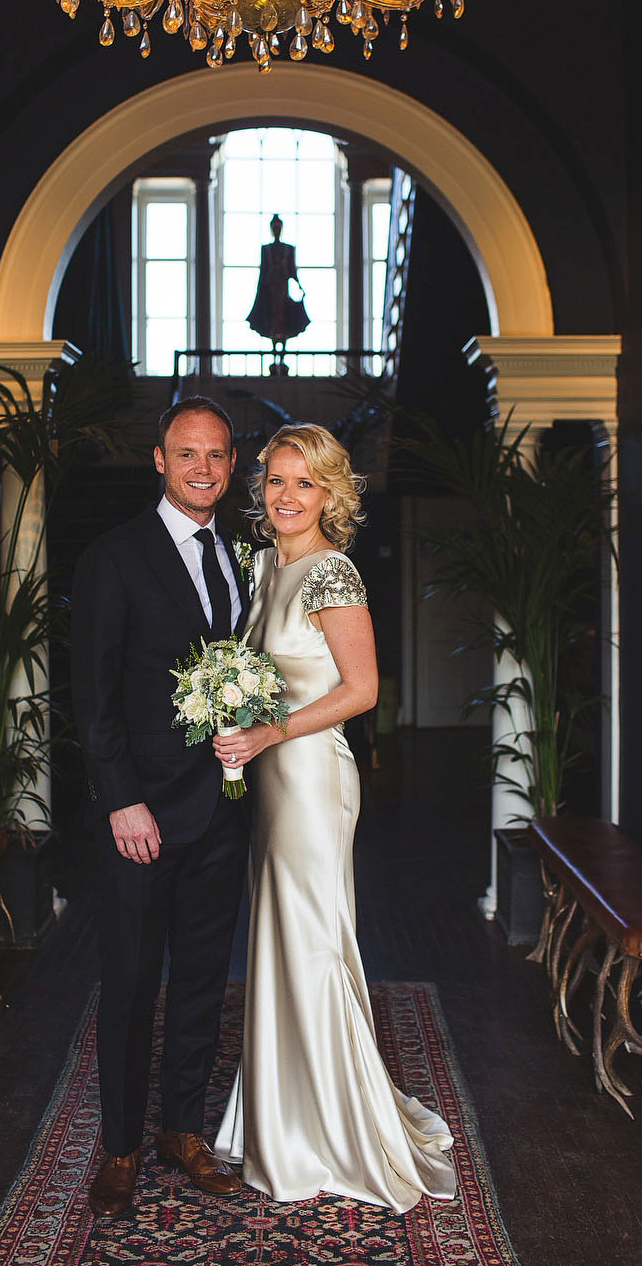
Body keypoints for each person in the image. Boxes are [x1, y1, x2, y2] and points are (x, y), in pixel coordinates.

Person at [211, 423, 456, 1213]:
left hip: (312, 780)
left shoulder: (331, 575)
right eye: (276, 481)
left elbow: (361, 691)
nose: (287, 496)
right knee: (278, 938)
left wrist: (269, 732)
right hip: (270, 775)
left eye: (304, 484)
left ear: (331, 494)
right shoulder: (265, 565)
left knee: (312, 939)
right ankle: (281, 1114)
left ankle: (326, 1128)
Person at [70, 397, 251, 1219]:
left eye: (216, 456)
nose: (203, 469)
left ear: (231, 464)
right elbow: (94, 696)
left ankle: (183, 1135)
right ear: (159, 461)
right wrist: (122, 803)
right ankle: (120, 1148)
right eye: (188, 455)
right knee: (133, 982)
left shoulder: (245, 558)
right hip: (140, 819)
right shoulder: (114, 558)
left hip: (223, 811)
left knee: (205, 983)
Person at [246, 214, 310, 371]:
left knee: (284, 322)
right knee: (272, 322)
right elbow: (263, 271)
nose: (276, 230)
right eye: (274, 228)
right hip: (270, 292)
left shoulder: (288, 249)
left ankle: (281, 359)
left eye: (278, 228)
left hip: (283, 292)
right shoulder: (266, 249)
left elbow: (292, 270)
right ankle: (276, 358)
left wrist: (299, 286)